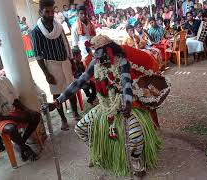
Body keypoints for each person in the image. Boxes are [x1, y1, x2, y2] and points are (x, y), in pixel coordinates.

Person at [47, 35, 161, 177]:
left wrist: (127, 103)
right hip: (104, 107)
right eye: (96, 56)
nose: (99, 60)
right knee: (80, 129)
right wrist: (58, 101)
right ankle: (99, 152)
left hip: (122, 106)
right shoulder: (95, 63)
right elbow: (78, 82)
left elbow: (126, 85)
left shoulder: (122, 61)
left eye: (102, 55)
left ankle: (135, 160)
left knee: (136, 136)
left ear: (110, 50)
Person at [31, 0, 79, 131]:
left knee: (71, 90)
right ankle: (63, 120)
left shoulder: (59, 26)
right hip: (51, 66)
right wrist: (46, 74)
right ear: (40, 12)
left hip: (65, 62)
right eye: (47, 12)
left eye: (52, 11)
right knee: (57, 95)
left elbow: (66, 45)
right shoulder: (36, 32)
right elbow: (38, 55)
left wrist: (72, 61)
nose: (51, 14)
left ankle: (75, 113)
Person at [0, 47, 40, 161]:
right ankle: (26, 148)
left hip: (12, 112)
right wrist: (11, 116)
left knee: (35, 116)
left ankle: (20, 143)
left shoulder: (4, 80)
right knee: (11, 128)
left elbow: (15, 100)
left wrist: (26, 110)